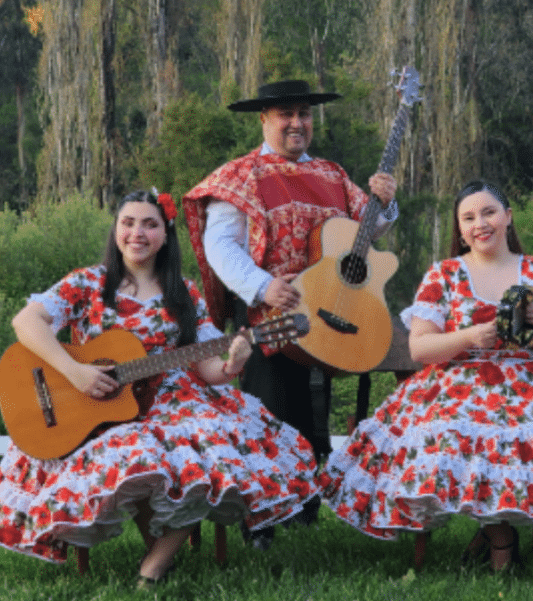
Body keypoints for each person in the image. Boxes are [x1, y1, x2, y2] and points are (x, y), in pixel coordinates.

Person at [0, 190, 321, 589]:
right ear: (116, 229)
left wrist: (235, 360)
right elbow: (27, 322)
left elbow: (209, 368)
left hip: (174, 402)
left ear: (165, 233)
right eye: (128, 222)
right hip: (98, 402)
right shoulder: (88, 283)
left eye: (149, 224)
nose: (137, 233)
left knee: (208, 448)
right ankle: (159, 555)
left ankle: (155, 566)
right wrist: (74, 372)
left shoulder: (185, 292)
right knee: (141, 453)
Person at [320, 180, 533, 571]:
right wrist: (468, 336)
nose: (480, 223)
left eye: (489, 212)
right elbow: (420, 348)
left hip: (528, 384)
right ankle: (501, 536)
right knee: (447, 439)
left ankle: (494, 531)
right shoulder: (444, 274)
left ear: (508, 217)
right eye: (469, 217)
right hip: (456, 383)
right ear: (460, 229)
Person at [181, 80, 397, 545]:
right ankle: (261, 515)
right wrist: (262, 286)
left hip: (330, 309)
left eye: (303, 113)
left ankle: (303, 504)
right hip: (270, 311)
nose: (297, 123)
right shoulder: (240, 176)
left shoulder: (332, 174)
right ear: (265, 120)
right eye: (286, 114)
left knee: (310, 410)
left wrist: (386, 199)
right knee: (268, 411)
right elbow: (220, 244)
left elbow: (368, 229)